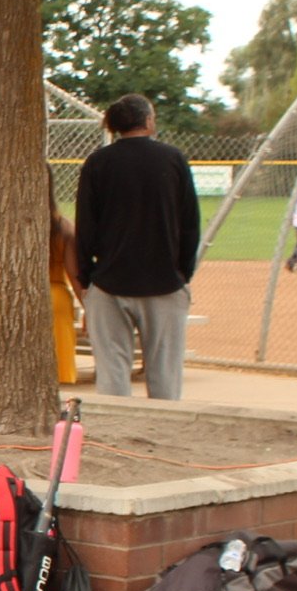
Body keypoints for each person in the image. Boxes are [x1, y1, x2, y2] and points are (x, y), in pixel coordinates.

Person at [73, 94, 200, 399]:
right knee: (165, 374)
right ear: (147, 121)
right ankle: (163, 425)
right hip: (164, 282)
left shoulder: (98, 162)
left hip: (110, 282)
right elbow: (190, 223)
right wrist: (183, 273)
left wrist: (87, 277)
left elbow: (85, 226)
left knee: (112, 374)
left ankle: (117, 427)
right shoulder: (173, 158)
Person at [49, 203, 82, 385]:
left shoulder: (15, 226)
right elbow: (74, 273)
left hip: (25, 297)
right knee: (61, 365)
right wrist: (88, 306)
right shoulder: (64, 226)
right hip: (57, 298)